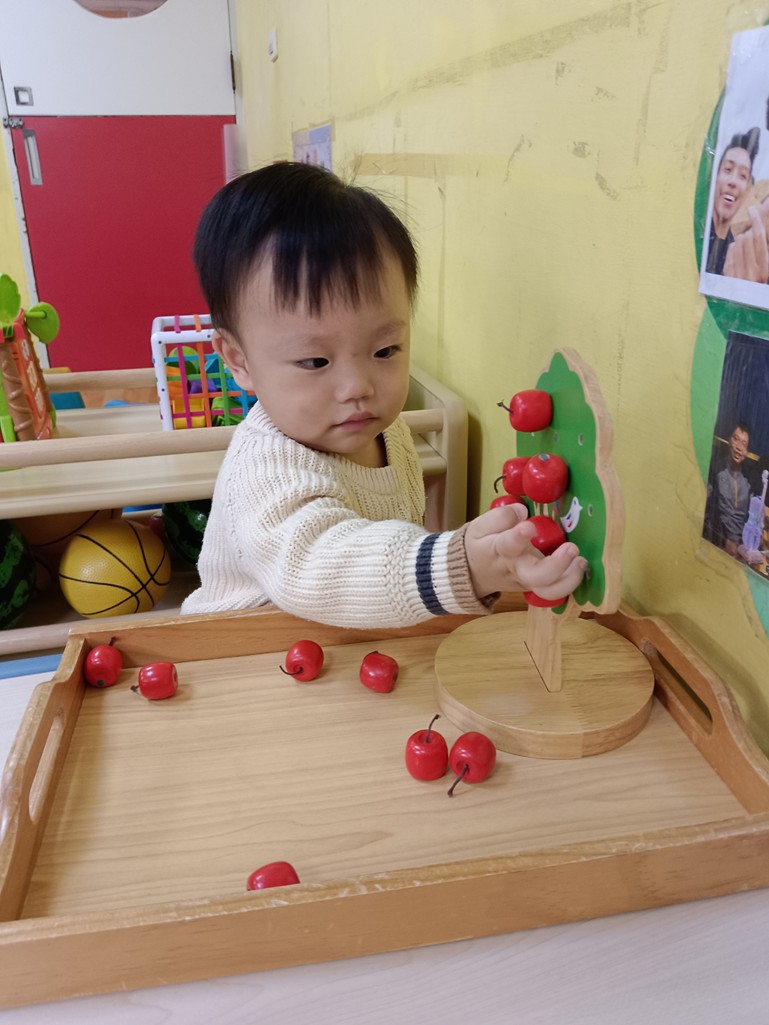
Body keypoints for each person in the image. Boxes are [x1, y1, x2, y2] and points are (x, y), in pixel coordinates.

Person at [180, 163, 586, 628]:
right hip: (237, 647)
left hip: (341, 639)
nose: (358, 387)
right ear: (238, 360)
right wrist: (461, 566)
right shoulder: (264, 469)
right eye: (315, 361)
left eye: (385, 350)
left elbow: (389, 541)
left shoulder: (386, 432)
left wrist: (486, 555)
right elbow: (322, 564)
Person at [706, 129, 760, 275]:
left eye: (742, 176)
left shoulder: (738, 256)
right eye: (728, 169)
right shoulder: (699, 237)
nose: (733, 182)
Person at [709, 422, 752, 558]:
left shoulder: (749, 478)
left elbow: (748, 517)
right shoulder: (716, 470)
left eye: (744, 444)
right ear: (729, 441)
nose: (739, 447)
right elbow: (710, 512)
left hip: (741, 547)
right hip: (718, 542)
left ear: (747, 452)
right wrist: (723, 540)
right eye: (736, 439)